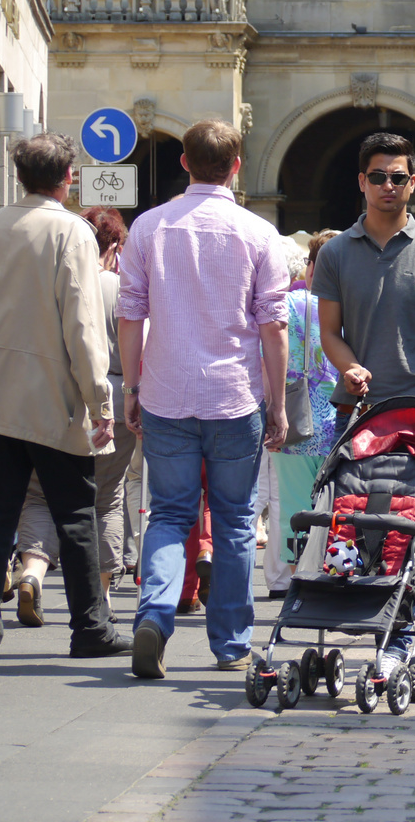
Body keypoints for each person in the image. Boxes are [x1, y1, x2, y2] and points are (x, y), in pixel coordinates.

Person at [118, 120, 290, 678]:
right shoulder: (259, 233)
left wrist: (131, 384)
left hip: (166, 391)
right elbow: (274, 327)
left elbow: (130, 313)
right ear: (237, 166)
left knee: (167, 513)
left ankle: (155, 613)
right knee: (237, 519)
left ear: (185, 163)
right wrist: (278, 403)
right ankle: (231, 643)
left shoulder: (148, 227)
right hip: (234, 396)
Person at [0, 134, 130, 659]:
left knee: (0, 514)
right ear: (68, 177)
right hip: (52, 397)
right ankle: (91, 627)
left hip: (1, 396)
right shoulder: (71, 231)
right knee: (75, 513)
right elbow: (82, 324)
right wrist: (100, 402)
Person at [15, 206, 135, 620]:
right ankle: (99, 597)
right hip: (115, 399)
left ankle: (31, 571)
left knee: (39, 496)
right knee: (106, 500)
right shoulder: (121, 288)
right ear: (116, 245)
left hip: (53, 397)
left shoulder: (52, 281)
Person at [314, 132, 415, 426]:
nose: (388, 186)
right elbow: (330, 333)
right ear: (361, 182)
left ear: (413, 183)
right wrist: (351, 368)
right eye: (377, 177)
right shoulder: (334, 253)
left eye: (398, 178)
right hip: (357, 411)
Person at [268, 229, 342, 601]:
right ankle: (332, 576)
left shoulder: (286, 304)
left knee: (295, 508)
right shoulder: (346, 309)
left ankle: (300, 584)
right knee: (337, 508)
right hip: (339, 421)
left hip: (293, 421)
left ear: (310, 267)